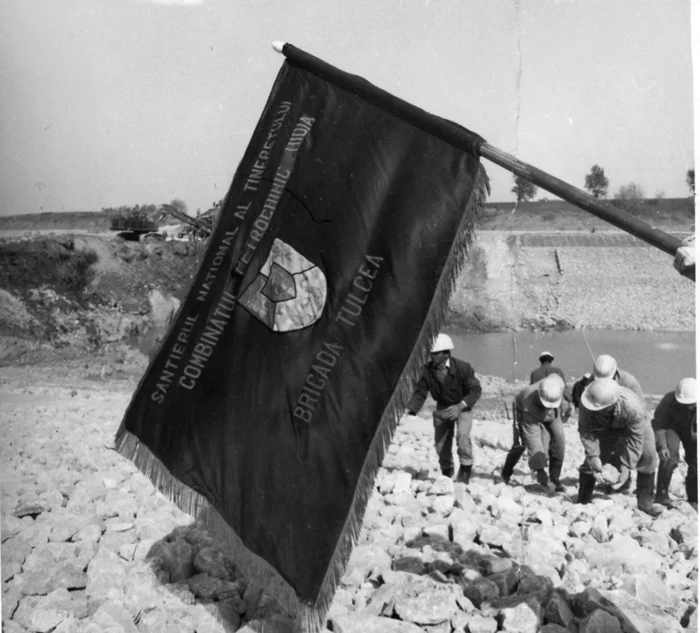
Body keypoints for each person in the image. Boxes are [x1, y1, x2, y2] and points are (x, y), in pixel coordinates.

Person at [577, 378, 662, 517]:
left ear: (612, 404)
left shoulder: (632, 407)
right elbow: (585, 430)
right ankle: (582, 501)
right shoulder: (588, 402)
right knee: (593, 461)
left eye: (602, 409)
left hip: (636, 425)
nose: (597, 410)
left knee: (648, 456)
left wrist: (627, 466)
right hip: (605, 426)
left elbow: (636, 439)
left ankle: (645, 503)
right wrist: (593, 456)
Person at [406, 333, 482, 484]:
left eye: (435, 354)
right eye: (431, 353)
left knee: (462, 436)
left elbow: (475, 390)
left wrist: (461, 406)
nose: (431, 356)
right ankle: (447, 471)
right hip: (442, 407)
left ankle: (466, 468)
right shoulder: (426, 371)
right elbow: (421, 392)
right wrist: (411, 411)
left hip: (463, 407)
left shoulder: (463, 367)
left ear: (446, 353)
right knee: (441, 444)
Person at [501, 374, 571, 492]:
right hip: (523, 409)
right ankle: (506, 473)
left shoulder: (557, 385)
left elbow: (565, 402)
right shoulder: (528, 402)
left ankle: (555, 479)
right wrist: (539, 470)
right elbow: (533, 439)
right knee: (521, 443)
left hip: (551, 410)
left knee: (559, 438)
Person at [652, 377, 697, 510]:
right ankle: (661, 496)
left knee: (696, 463)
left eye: (691, 404)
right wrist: (662, 446)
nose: (687, 407)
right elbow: (658, 424)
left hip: (694, 431)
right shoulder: (668, 400)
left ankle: (694, 498)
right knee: (669, 457)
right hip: (673, 429)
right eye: (684, 404)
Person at [571, 354, 644, 408]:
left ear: (614, 372)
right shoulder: (593, 379)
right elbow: (588, 399)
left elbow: (640, 407)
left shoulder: (629, 383)